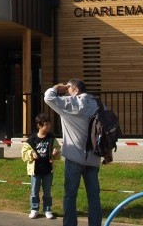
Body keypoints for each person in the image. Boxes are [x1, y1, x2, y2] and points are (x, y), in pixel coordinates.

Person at [44, 79, 102, 226]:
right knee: (94, 196)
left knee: (70, 195)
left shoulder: (71, 103)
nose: (67, 91)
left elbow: (48, 96)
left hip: (74, 157)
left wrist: (59, 87)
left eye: (69, 89)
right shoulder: (99, 104)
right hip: (94, 157)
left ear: (75, 90)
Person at [22, 112, 61, 219]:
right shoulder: (32, 140)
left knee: (47, 192)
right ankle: (34, 209)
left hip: (48, 170)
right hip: (35, 171)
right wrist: (31, 153)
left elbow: (58, 149)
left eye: (49, 124)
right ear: (39, 125)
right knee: (34, 191)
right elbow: (24, 153)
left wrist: (56, 152)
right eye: (46, 124)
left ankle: (47, 210)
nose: (49, 126)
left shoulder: (52, 138)